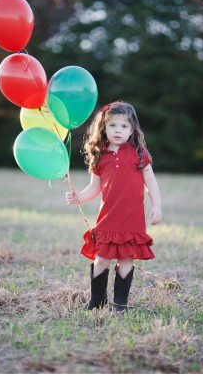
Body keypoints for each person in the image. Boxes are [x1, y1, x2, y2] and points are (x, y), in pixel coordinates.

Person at [65, 101, 163, 313]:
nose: (118, 130)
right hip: (108, 217)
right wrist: (79, 197)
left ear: (132, 130)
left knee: (126, 260)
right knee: (101, 259)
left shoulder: (139, 153)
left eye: (124, 126)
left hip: (132, 219)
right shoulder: (101, 155)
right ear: (104, 128)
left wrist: (156, 205)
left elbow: (151, 182)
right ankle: (97, 301)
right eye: (113, 126)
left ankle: (120, 304)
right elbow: (94, 187)